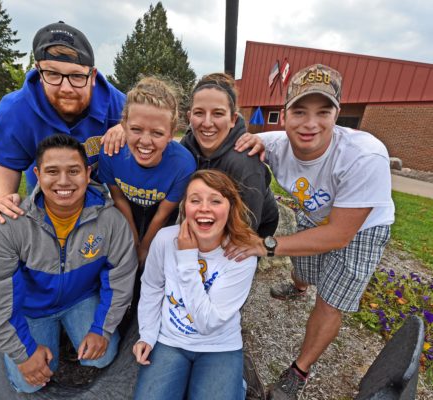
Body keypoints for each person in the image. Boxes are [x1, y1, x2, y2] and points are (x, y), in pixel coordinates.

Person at [237, 64, 395, 399]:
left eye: (323, 112)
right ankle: (298, 286)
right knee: (304, 266)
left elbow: (338, 236)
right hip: (315, 211)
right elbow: (230, 140)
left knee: (329, 301)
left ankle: (299, 371)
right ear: (284, 114)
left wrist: (265, 245)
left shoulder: (364, 156)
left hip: (362, 225)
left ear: (337, 114)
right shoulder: (273, 143)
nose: (310, 124)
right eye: (299, 111)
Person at [0, 134, 138, 393]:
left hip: (79, 299)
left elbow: (121, 278)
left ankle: (68, 333)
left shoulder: (110, 221)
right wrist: (22, 352)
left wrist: (101, 328)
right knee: (29, 384)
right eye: (52, 171)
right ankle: (12, 341)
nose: (64, 181)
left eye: (73, 171)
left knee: (102, 355)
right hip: (31, 308)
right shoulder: (10, 223)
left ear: (88, 172)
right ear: (37, 173)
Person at [132, 170, 258, 400]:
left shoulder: (242, 255)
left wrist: (188, 258)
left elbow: (207, 324)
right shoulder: (164, 239)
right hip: (171, 340)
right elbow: (152, 287)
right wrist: (147, 335)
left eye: (215, 201)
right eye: (195, 200)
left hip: (219, 344)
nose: (204, 208)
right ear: (184, 207)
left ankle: (236, 382)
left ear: (230, 207)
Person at [0, 21, 125, 224]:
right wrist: (4, 200)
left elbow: (149, 124)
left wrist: (128, 126)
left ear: (93, 75)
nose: (66, 88)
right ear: (39, 72)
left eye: (77, 76)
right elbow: (7, 164)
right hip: (47, 189)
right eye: (53, 74)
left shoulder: (118, 104)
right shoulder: (14, 111)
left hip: (96, 186)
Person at [98, 77, 196, 267]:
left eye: (157, 133)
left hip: (159, 212)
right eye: (136, 129)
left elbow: (163, 213)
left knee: (154, 262)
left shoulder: (183, 165)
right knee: (123, 260)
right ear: (124, 125)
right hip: (127, 207)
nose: (145, 141)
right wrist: (134, 240)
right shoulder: (111, 153)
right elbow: (118, 197)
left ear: (171, 133)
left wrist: (145, 247)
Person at [181, 72, 279, 242]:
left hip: (248, 229)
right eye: (199, 113)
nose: (207, 122)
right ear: (190, 116)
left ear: (233, 119)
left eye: (218, 114)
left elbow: (248, 225)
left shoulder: (245, 160)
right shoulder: (185, 148)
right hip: (205, 220)